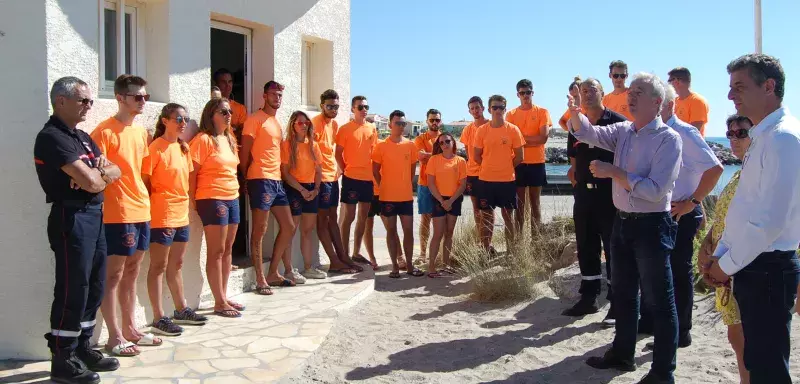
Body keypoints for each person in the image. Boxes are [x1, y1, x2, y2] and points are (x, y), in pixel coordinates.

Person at [570, 72, 682, 384]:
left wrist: (613, 172)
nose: (630, 96)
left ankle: (662, 372)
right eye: (630, 91)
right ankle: (622, 355)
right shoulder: (624, 131)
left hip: (652, 226)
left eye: (639, 92)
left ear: (657, 103)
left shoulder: (668, 139)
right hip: (623, 223)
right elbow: (589, 134)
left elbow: (655, 190)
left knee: (660, 302)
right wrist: (576, 111)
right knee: (623, 294)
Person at [705, 53, 800, 384]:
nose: (731, 96)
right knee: (758, 362)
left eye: (740, 86)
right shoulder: (765, 136)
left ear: (769, 86)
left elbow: (769, 224)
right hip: (755, 268)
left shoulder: (783, 139)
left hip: (769, 270)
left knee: (768, 369)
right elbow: (745, 210)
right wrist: (721, 256)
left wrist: (725, 265)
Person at [35, 76, 121, 383]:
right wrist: (97, 173)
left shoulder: (83, 137)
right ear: (61, 101)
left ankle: (83, 347)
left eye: (89, 100)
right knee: (74, 287)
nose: (89, 105)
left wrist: (97, 172)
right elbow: (94, 182)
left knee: (95, 284)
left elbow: (115, 170)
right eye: (83, 100)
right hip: (71, 217)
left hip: (94, 215)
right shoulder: (52, 137)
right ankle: (63, 357)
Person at [640, 83, 723, 348]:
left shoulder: (684, 132)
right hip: (658, 213)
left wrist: (693, 202)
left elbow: (715, 169)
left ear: (668, 105)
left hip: (681, 213)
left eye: (655, 102)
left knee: (678, 272)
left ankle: (682, 332)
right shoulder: (651, 133)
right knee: (657, 272)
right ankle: (657, 323)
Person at [91, 75, 160, 356]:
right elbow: (98, 173)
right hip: (116, 212)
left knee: (132, 273)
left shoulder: (141, 132)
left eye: (145, 96)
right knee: (113, 275)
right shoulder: (104, 132)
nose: (143, 101)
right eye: (137, 97)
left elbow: (141, 173)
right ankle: (114, 336)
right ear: (120, 98)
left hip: (142, 209)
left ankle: (131, 328)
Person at [561, 78, 626, 324]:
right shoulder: (574, 125)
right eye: (583, 91)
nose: (587, 94)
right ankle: (589, 298)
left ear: (602, 93)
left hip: (610, 195)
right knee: (586, 245)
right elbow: (574, 160)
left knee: (613, 248)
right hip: (584, 195)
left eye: (592, 90)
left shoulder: (618, 122)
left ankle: (615, 301)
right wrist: (577, 182)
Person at [697, 114, 754, 384]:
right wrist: (706, 244)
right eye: (729, 133)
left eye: (741, 133)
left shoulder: (759, 177)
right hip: (722, 265)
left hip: (741, 266)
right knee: (736, 336)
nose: (733, 139)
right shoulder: (740, 173)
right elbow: (721, 217)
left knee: (745, 338)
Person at [143, 103, 208, 337]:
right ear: (165, 121)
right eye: (178, 119)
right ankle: (159, 316)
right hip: (162, 214)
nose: (183, 124)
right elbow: (146, 182)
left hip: (181, 214)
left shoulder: (183, 148)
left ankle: (181, 309)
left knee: (177, 264)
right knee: (158, 266)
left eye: (185, 119)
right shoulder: (156, 148)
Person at [240, 81, 298, 292]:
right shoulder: (254, 120)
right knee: (260, 230)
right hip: (260, 178)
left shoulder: (276, 122)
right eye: (273, 94)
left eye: (280, 95)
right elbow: (244, 152)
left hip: (276, 180)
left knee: (289, 226)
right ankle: (260, 279)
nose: (277, 98)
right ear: (264, 96)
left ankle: (273, 272)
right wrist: (244, 178)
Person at [190, 98, 245, 317]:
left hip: (232, 196)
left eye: (229, 111)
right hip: (212, 197)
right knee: (217, 250)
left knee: (228, 249)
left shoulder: (229, 138)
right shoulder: (203, 140)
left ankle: (224, 296)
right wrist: (192, 199)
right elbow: (192, 172)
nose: (228, 115)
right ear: (211, 114)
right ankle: (219, 301)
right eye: (223, 112)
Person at [311, 89, 360, 274]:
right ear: (322, 105)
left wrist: (340, 168)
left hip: (332, 177)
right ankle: (334, 261)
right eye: (330, 106)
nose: (333, 109)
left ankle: (343, 257)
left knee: (333, 218)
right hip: (321, 179)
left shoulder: (334, 125)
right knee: (322, 220)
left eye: (337, 106)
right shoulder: (314, 124)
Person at [372, 110, 423, 278]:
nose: (401, 126)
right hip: (387, 196)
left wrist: (404, 185)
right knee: (391, 232)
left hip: (406, 197)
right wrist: (384, 186)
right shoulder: (381, 146)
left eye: (403, 123)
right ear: (390, 125)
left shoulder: (410, 145)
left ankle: (409, 266)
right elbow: (375, 170)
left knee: (408, 231)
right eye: (397, 123)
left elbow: (411, 171)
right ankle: (394, 266)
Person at [473, 95, 524, 254]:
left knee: (508, 217)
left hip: (507, 181)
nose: (498, 110)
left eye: (501, 107)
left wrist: (506, 167)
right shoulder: (482, 130)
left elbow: (520, 156)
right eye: (494, 107)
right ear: (489, 110)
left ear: (505, 109)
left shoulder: (513, 130)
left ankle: (511, 252)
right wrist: (490, 166)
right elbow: (476, 156)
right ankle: (486, 250)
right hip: (486, 181)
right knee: (486, 217)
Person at [281, 111, 327, 280]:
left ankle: (308, 268)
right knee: (290, 230)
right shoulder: (287, 145)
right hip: (294, 189)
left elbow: (318, 170)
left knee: (307, 230)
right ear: (293, 125)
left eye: (306, 122)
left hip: (311, 190)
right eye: (299, 123)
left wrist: (315, 189)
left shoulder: (313, 145)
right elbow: (285, 173)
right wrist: (302, 190)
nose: (304, 125)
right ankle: (289, 270)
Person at [335, 96, 377, 270]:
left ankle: (356, 252)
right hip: (351, 178)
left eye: (366, 106)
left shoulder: (372, 128)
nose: (364, 109)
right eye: (360, 107)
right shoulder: (345, 129)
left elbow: (374, 152)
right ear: (353, 109)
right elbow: (338, 153)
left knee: (363, 218)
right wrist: (345, 170)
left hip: (367, 179)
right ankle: (344, 255)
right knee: (348, 217)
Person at [505, 79, 551, 231]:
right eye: (522, 93)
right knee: (519, 205)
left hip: (537, 162)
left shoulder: (542, 112)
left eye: (528, 92)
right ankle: (519, 243)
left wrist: (521, 139)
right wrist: (531, 140)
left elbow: (543, 138)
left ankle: (536, 242)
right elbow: (511, 140)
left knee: (535, 203)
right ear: (517, 94)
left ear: (533, 93)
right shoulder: (511, 114)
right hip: (518, 162)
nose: (525, 95)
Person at [425, 132, 467, 278]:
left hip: (454, 200)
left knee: (449, 233)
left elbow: (462, 185)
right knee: (438, 233)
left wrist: (451, 201)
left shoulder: (461, 161)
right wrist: (442, 201)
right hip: (438, 199)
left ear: (453, 142)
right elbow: (430, 183)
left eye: (447, 141)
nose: (444, 145)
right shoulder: (434, 160)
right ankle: (431, 267)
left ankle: (446, 264)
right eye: (441, 143)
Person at [414, 109, 442, 266]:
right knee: (425, 219)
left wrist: (429, 155)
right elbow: (421, 157)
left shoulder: (444, 138)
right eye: (432, 120)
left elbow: (449, 156)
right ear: (427, 121)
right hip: (425, 183)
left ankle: (439, 254)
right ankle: (423, 254)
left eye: (437, 120)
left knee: (441, 220)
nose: (434, 123)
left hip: (443, 184)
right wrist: (439, 156)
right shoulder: (420, 138)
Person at [459, 96, 488, 227]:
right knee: (476, 208)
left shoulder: (491, 126)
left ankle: (487, 242)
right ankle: (480, 241)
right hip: (472, 173)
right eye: (472, 109)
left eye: (477, 107)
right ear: (469, 111)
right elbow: (467, 151)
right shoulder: (467, 129)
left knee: (487, 209)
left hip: (488, 172)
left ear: (483, 108)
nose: (475, 110)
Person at [667, 67, 710, 136]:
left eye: (669, 81)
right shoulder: (674, 101)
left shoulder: (697, 101)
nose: (668, 84)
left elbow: (692, 132)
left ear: (676, 81)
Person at [213, 68, 247, 133]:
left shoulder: (240, 108)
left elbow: (243, 132)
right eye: (223, 82)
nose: (227, 85)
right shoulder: (212, 107)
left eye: (230, 82)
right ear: (216, 84)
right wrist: (233, 128)